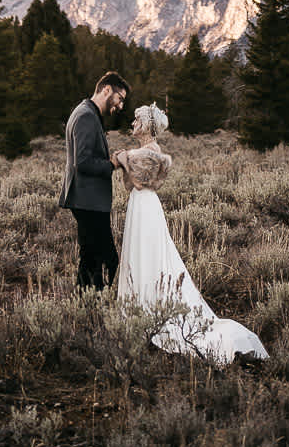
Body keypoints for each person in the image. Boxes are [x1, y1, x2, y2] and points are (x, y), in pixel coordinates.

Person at [114, 102, 268, 364]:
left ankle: (151, 313)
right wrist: (126, 159)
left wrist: (122, 158)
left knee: (149, 256)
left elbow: (139, 181)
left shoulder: (152, 151)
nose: (133, 123)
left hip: (147, 208)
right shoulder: (142, 151)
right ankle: (139, 312)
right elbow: (131, 183)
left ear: (148, 126)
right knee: (137, 256)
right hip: (138, 206)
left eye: (137, 120)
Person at [59, 71, 130, 289]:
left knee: (91, 259)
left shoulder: (85, 111)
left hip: (86, 199)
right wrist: (113, 164)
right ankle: (94, 304)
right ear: (107, 90)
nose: (120, 106)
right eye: (120, 99)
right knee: (106, 259)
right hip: (88, 201)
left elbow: (86, 157)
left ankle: (87, 307)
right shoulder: (86, 116)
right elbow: (82, 162)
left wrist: (108, 159)